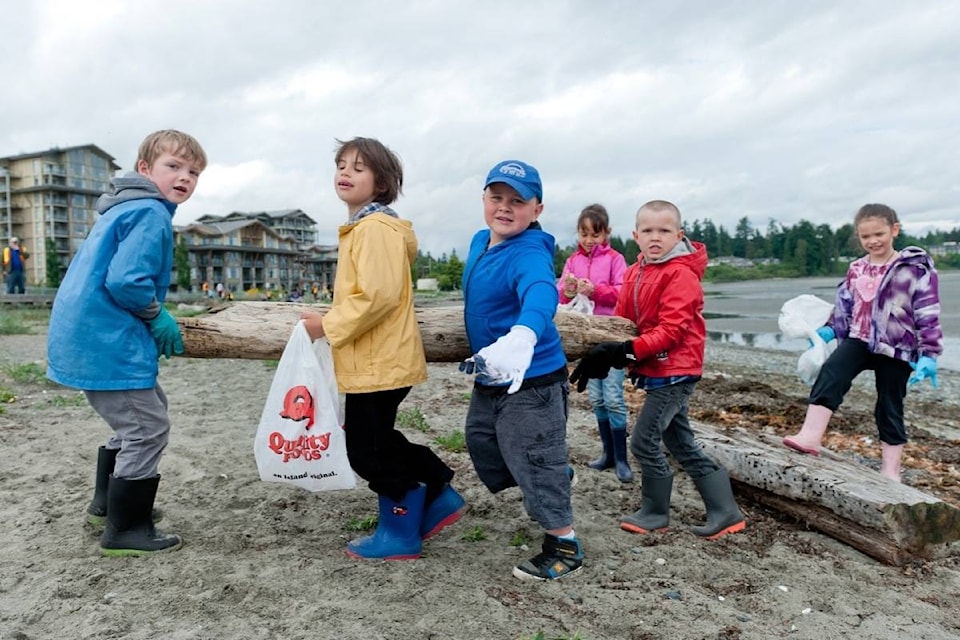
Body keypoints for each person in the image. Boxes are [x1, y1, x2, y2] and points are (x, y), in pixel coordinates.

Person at [300, 137, 465, 561]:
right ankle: (436, 493)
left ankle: (402, 527)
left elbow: (378, 295)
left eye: (358, 167)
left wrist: (328, 325)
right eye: (341, 164)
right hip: (372, 359)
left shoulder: (375, 229)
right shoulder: (363, 228)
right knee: (374, 440)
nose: (345, 172)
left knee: (366, 450)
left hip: (379, 359)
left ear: (381, 182)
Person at [46, 129, 207, 556]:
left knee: (141, 416)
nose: (185, 177)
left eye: (193, 171)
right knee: (147, 427)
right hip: (105, 338)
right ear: (144, 169)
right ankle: (126, 528)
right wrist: (157, 316)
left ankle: (108, 505)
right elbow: (126, 281)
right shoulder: (151, 213)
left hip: (89, 335)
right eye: (173, 166)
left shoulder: (125, 209)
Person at [570, 200, 746, 540]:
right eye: (648, 231)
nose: (655, 238)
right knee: (678, 440)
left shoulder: (681, 274)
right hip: (656, 368)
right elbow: (622, 322)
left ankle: (654, 512)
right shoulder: (635, 272)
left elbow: (672, 331)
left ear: (678, 235)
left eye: (664, 231)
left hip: (676, 370)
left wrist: (625, 351)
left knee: (643, 440)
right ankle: (726, 511)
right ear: (635, 236)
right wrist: (602, 350)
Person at [459, 159, 582, 581]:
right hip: (493, 374)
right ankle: (554, 475)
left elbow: (540, 292)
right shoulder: (480, 242)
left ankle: (565, 546)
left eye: (518, 200)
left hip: (533, 380)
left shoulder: (530, 252)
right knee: (482, 443)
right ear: (484, 199)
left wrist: (525, 334)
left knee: (532, 457)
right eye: (497, 197)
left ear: (537, 209)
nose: (505, 207)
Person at [782, 203, 942, 482]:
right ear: (859, 237)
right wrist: (830, 331)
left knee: (890, 403)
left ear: (894, 230)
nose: (873, 241)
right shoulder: (856, 268)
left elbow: (927, 311)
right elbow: (845, 306)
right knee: (832, 372)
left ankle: (891, 471)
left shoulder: (913, 268)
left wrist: (929, 353)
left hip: (897, 346)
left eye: (879, 234)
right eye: (866, 237)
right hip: (859, 339)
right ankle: (810, 436)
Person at [558, 204, 630, 482]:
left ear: (607, 233)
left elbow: (623, 293)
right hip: (586, 339)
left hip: (611, 338)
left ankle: (622, 459)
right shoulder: (573, 261)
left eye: (595, 234)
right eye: (584, 234)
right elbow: (562, 296)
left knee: (613, 398)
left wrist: (597, 291)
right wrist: (567, 290)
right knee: (597, 398)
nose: (589, 240)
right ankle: (607, 455)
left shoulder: (615, 259)